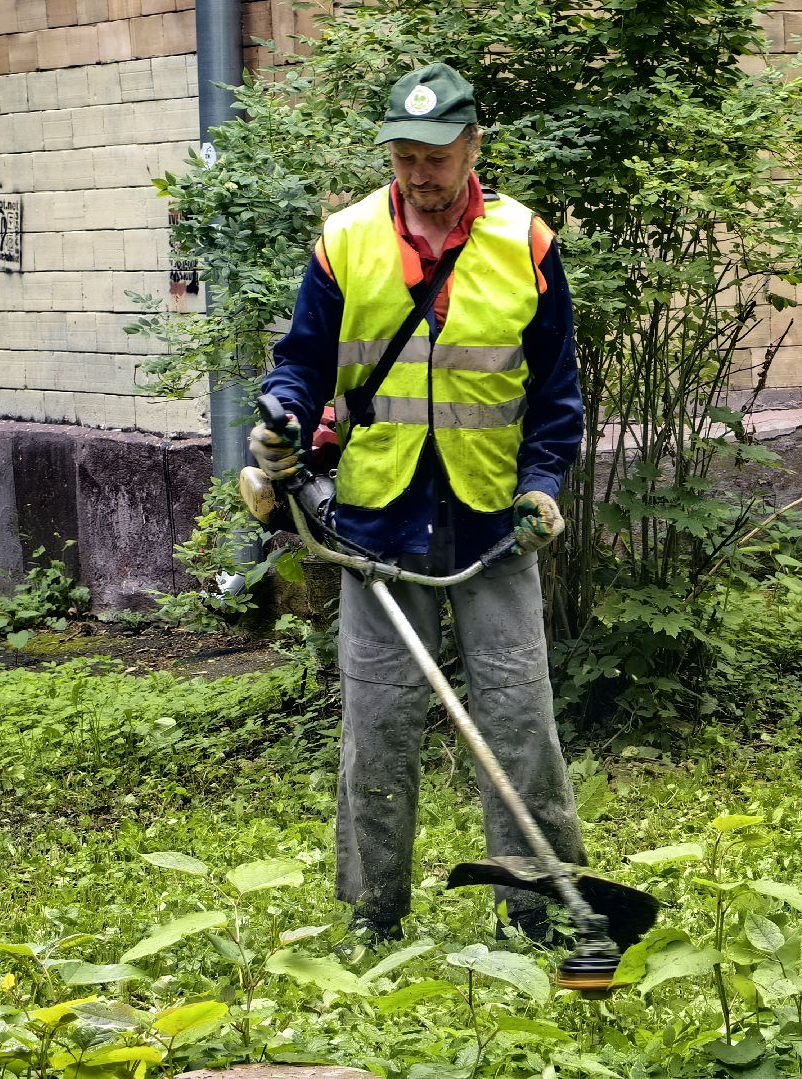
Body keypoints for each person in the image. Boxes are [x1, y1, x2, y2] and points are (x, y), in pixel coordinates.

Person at [248, 62, 586, 944]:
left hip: (493, 523)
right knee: (378, 727)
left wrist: (542, 485)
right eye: (403, 156)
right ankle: (374, 913)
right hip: (377, 525)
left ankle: (541, 909)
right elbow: (301, 362)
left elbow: (556, 396)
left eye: (435, 156)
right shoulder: (346, 241)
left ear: (473, 146)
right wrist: (284, 414)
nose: (418, 174)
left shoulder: (526, 243)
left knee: (520, 724)